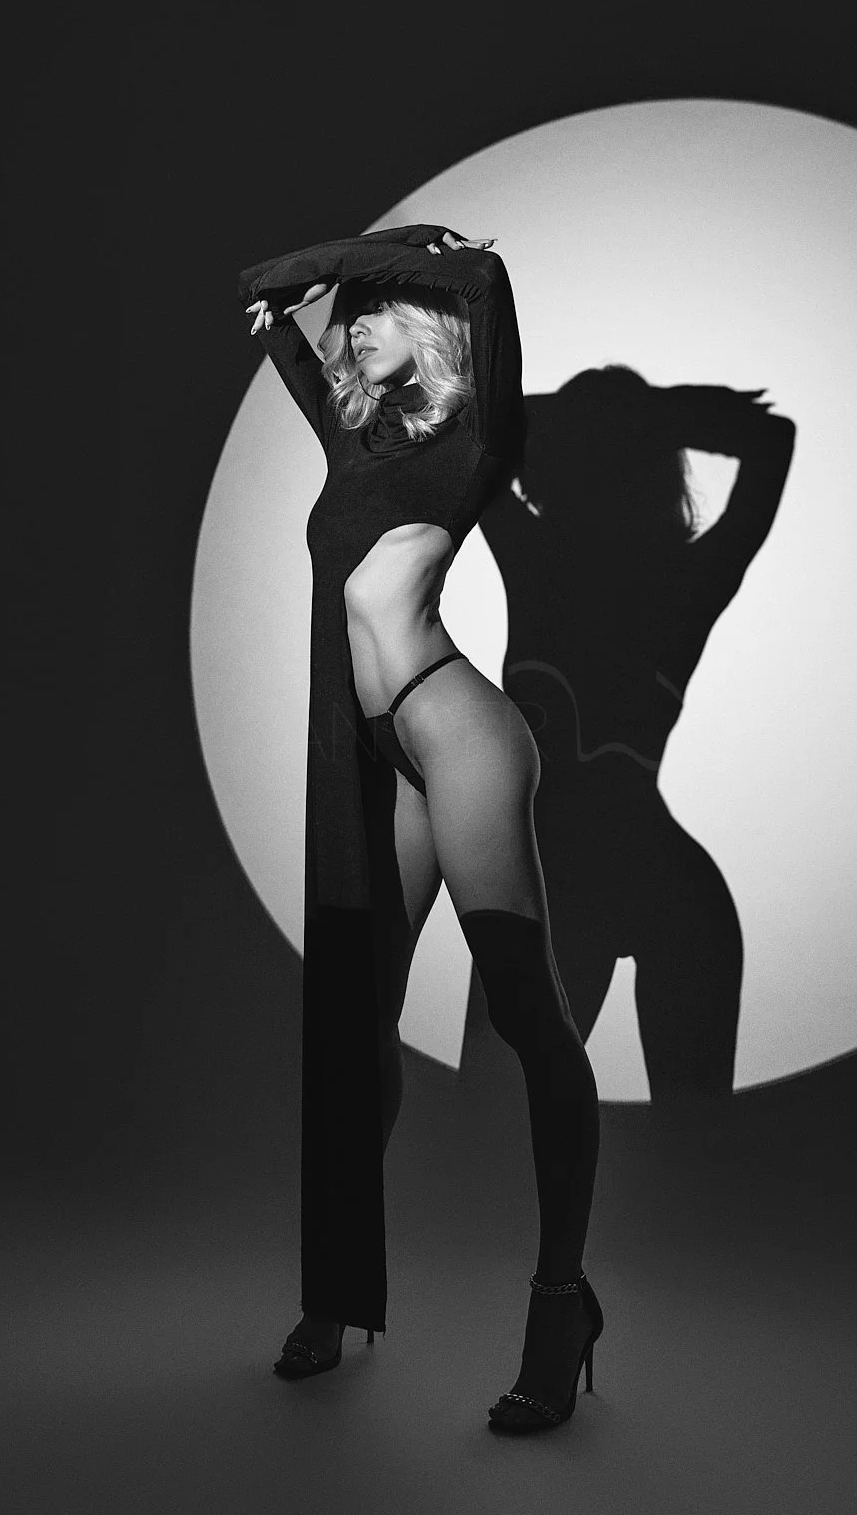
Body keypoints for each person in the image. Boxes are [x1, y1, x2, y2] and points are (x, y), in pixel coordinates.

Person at [238, 223, 603, 1433]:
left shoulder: (473, 444)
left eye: (380, 309)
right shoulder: (362, 446)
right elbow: (261, 296)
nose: (352, 325)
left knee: (523, 1013)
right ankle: (338, 1286)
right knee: (355, 1024)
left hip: (460, 734)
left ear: (431, 324)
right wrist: (318, 303)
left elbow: (484, 278)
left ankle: (560, 1304)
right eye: (354, 315)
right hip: (386, 755)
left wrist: (395, 253)